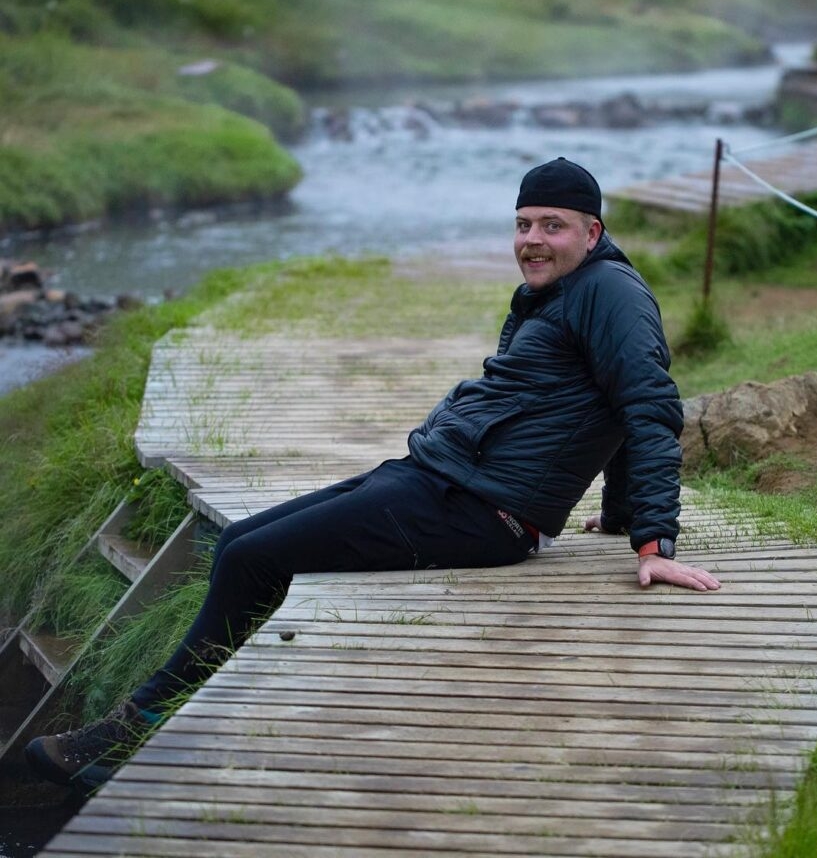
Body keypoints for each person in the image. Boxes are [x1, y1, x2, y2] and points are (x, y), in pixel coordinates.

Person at [25, 157, 720, 789]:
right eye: (522, 223)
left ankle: (127, 735)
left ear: (592, 232)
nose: (532, 238)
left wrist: (653, 539)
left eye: (553, 225)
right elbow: (609, 403)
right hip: (440, 478)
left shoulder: (609, 294)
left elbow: (648, 405)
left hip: (486, 513)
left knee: (255, 560)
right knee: (238, 547)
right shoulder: (559, 292)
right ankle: (148, 727)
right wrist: (621, 511)